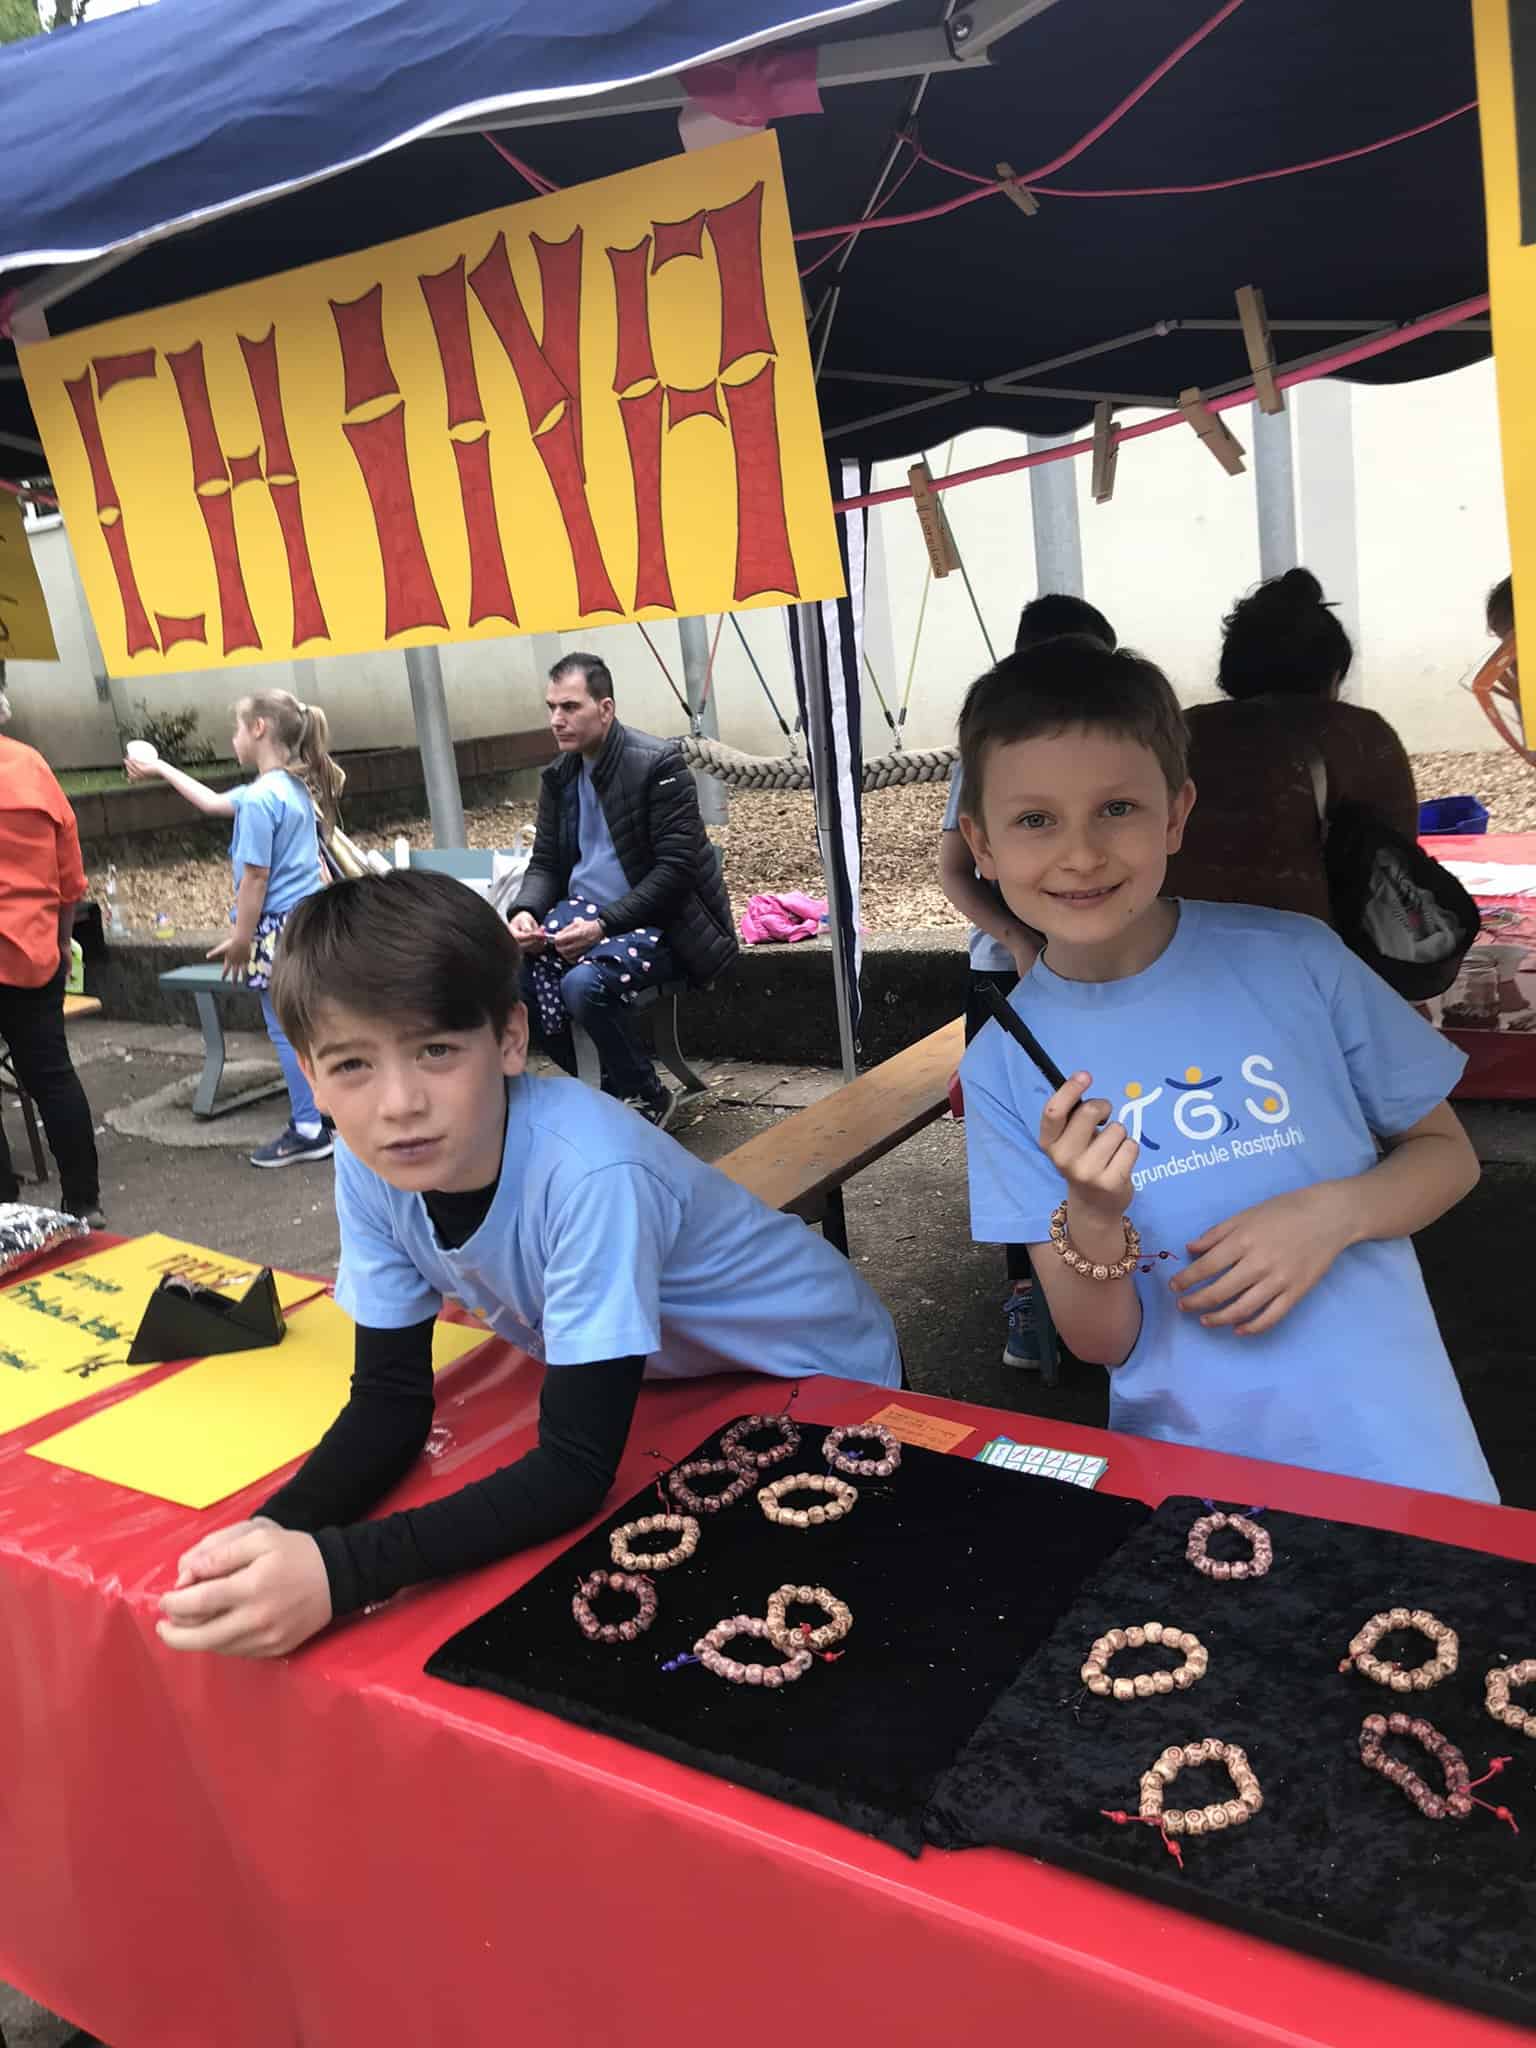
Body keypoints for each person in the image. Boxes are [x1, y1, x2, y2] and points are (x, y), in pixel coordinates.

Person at [153, 869, 902, 1659]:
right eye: (351, 1066)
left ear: (510, 1039)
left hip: (820, 1369)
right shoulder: (370, 1166)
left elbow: (574, 1470)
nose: (398, 1104)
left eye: (435, 1050)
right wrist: (272, 1534)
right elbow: (389, 1401)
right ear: (311, 1077)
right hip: (685, 1380)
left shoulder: (589, 1176)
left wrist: (339, 1574)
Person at [953, 634, 1496, 1501]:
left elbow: (1449, 1155)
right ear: (980, 844)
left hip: (1403, 1446)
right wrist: (1092, 1214)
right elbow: (1100, 1342)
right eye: (1035, 819)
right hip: (1199, 1483)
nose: (1081, 854)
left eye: (1117, 808)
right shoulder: (1003, 1064)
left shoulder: (1298, 959)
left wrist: (1333, 1214)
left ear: (1176, 813)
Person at [939, 593, 1118, 1370]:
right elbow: (954, 870)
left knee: (1105, 1127)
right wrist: (1016, 938)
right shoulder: (989, 755)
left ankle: (1111, 1274)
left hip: (1100, 970)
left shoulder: (1113, 748)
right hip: (1009, 980)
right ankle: (1026, 1291)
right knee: (1021, 1137)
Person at [509, 653, 736, 1130]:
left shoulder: (658, 765)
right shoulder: (559, 776)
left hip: (661, 925)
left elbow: (675, 872)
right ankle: (612, 1089)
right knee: (514, 979)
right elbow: (545, 862)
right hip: (582, 920)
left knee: (582, 986)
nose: (556, 719)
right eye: (552, 707)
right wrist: (525, 911)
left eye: (570, 707)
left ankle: (648, 1095)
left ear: (606, 709)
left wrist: (603, 925)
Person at [125, 689, 343, 1168]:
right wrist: (160, 768)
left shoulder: (261, 800)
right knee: (309, 1025)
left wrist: (242, 940)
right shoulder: (286, 788)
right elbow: (209, 801)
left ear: (259, 728)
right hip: (307, 922)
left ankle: (310, 1127)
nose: (234, 738)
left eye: (238, 728)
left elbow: (255, 878)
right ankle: (330, 1116)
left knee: (285, 1030)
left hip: (277, 931)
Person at [1165, 568, 1419, 922]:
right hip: (1318, 939)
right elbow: (1400, 865)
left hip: (1180, 935)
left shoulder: (1180, 732)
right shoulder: (1361, 737)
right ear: (1332, 673)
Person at [0, 714, 103, 1225]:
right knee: (54, 1077)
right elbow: (70, 880)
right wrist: (62, 942)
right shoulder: (32, 767)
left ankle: (5, 1208)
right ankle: (84, 1200)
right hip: (32, 953)